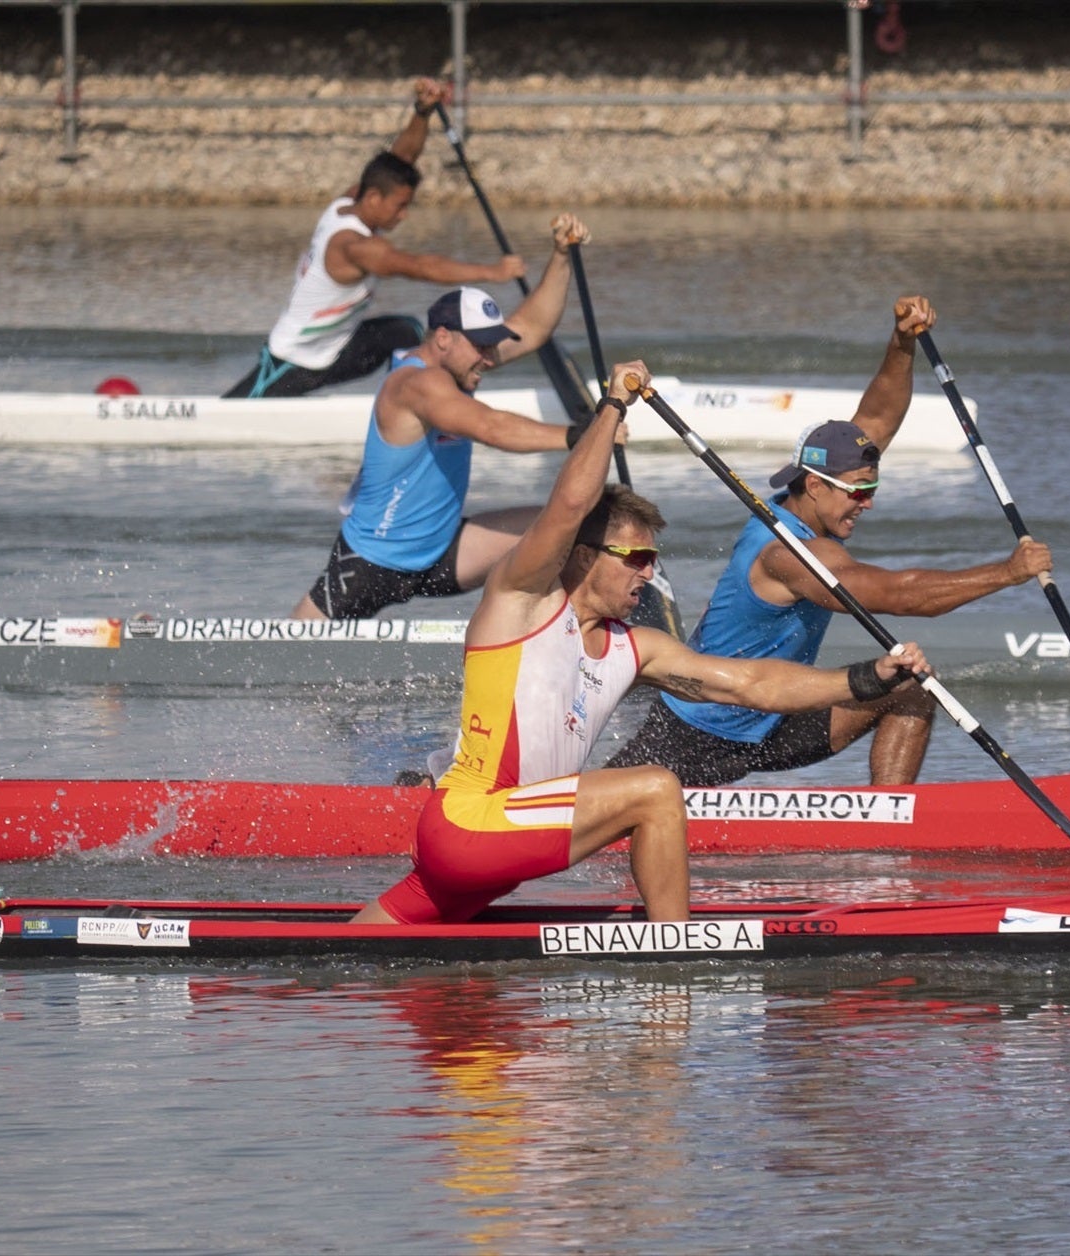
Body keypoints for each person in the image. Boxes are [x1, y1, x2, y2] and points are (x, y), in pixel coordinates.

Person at [350, 362, 931, 926]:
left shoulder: (637, 647)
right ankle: (677, 960)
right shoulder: (521, 605)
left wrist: (867, 678)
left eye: (655, 559)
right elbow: (570, 506)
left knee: (355, 954)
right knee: (656, 789)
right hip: (471, 824)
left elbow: (754, 683)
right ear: (584, 557)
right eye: (637, 558)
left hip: (497, 852)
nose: (649, 575)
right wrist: (613, 406)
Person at [605, 295, 1052, 788]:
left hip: (778, 718)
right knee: (599, 817)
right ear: (814, 485)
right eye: (858, 493)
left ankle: (890, 824)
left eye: (872, 489)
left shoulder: (816, 495)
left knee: (912, 689)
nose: (868, 503)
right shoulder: (786, 553)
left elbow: (878, 418)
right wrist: (1007, 573)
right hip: (698, 731)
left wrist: (902, 341)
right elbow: (903, 596)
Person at [290, 213, 606, 621]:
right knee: (287, 659)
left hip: (443, 552)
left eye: (492, 346)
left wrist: (562, 255)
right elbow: (491, 427)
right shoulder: (414, 386)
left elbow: (532, 325)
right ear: (443, 338)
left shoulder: (463, 363)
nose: (489, 358)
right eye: (481, 347)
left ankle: (546, 636)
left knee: (570, 524)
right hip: (371, 563)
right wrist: (582, 436)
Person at [224, 77, 528, 399]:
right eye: (400, 207)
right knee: (231, 412)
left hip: (340, 349)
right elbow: (421, 267)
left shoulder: (348, 202)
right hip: (294, 361)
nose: (404, 215)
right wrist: (494, 272)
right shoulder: (355, 248)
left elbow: (402, 159)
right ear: (373, 199)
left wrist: (422, 113)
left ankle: (409, 401)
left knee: (407, 331)